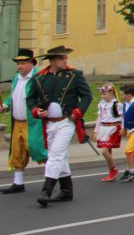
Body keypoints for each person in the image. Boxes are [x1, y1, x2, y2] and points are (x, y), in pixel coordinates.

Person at [29, 45, 92, 205]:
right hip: (49, 124)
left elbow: (87, 96)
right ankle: (66, 191)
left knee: (55, 155)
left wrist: (78, 112)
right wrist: (36, 110)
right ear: (52, 61)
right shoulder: (39, 78)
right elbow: (31, 99)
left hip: (66, 122)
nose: (65, 61)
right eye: (61, 58)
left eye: (65, 58)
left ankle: (46, 191)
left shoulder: (74, 75)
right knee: (59, 157)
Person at [1, 48, 43, 194]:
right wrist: (5, 105)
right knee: (17, 152)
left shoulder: (38, 78)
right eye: (18, 63)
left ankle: (53, 179)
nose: (20, 66)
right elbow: (13, 95)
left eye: (23, 63)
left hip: (33, 123)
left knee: (38, 150)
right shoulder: (16, 78)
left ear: (32, 63)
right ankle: (18, 183)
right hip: (17, 122)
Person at [94, 83, 124, 181]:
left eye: (104, 94)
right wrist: (96, 130)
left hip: (114, 129)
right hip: (104, 128)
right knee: (108, 152)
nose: (102, 96)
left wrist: (123, 128)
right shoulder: (101, 104)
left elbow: (123, 117)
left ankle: (113, 169)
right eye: (101, 94)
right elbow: (99, 118)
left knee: (104, 151)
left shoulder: (117, 104)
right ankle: (111, 172)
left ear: (111, 93)